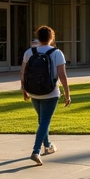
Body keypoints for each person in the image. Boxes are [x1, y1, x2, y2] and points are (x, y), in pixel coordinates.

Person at [21, 25, 71, 165]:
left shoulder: (29, 52)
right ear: (51, 37)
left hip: (34, 92)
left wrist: (24, 89)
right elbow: (62, 76)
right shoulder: (57, 53)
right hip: (51, 92)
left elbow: (23, 73)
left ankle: (48, 145)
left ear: (38, 37)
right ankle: (36, 151)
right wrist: (67, 94)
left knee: (42, 120)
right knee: (44, 121)